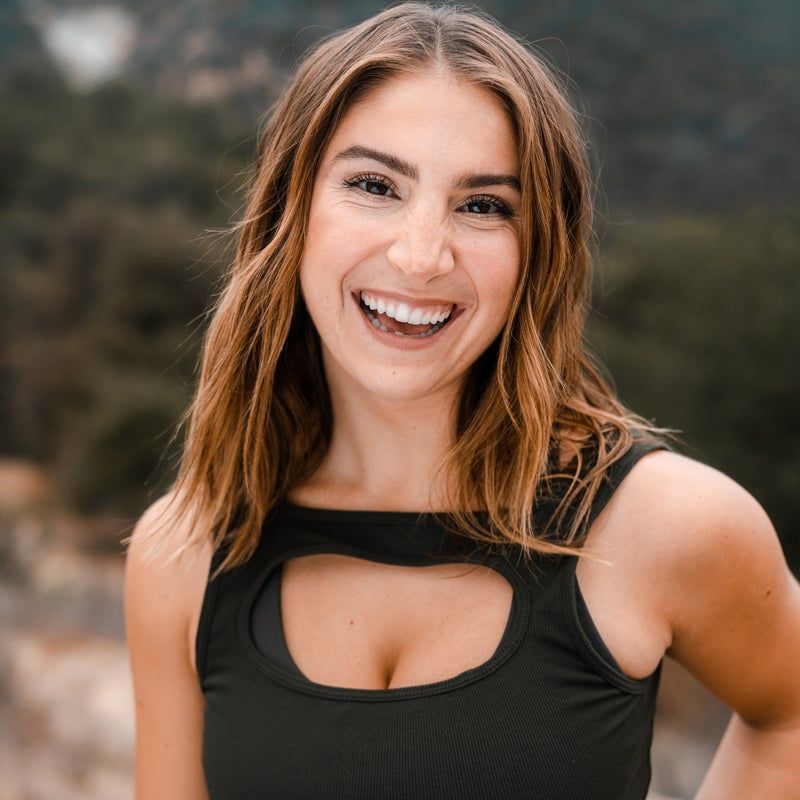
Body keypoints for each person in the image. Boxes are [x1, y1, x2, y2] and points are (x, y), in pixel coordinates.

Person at [123, 2, 800, 798]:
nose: (420, 255)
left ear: (537, 248)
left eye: (483, 205)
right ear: (291, 210)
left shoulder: (664, 527)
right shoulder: (184, 551)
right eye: (375, 185)